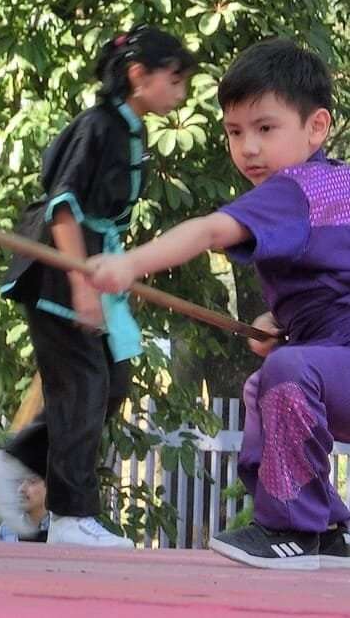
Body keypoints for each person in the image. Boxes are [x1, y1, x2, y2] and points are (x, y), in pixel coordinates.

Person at [89, 37, 350, 570]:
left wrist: (130, 263)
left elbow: (210, 230)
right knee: (265, 384)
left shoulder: (295, 188)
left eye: (265, 128)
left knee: (287, 371)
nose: (248, 148)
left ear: (316, 127)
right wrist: (283, 319)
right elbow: (332, 283)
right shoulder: (333, 185)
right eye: (235, 132)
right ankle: (325, 526)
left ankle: (291, 529)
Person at [0, 25, 195, 547]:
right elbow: (63, 207)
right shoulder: (98, 126)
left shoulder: (129, 130)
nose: (182, 92)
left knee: (109, 384)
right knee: (83, 386)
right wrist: (81, 285)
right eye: (175, 79)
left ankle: (14, 459)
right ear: (139, 75)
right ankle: (71, 517)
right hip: (61, 267)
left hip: (94, 265)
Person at [0, 474, 50, 543]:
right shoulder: (6, 528)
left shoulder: (60, 528)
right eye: (19, 482)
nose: (21, 489)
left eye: (32, 481)